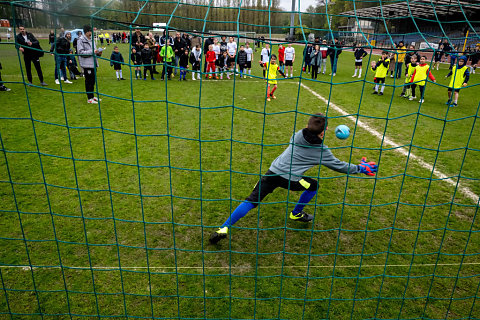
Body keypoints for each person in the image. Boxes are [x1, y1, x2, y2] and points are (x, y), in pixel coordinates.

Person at [209, 113, 378, 244]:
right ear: (324, 132)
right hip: (290, 179)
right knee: (313, 186)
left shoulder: (297, 134)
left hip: (272, 172)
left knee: (251, 201)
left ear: (307, 125)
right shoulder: (322, 151)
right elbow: (339, 166)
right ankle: (296, 213)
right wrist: (360, 168)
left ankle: (223, 228)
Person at [77, 24, 101, 104]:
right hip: (86, 64)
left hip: (93, 63)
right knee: (88, 81)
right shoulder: (80, 40)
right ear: (86, 32)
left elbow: (95, 50)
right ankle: (89, 98)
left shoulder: (92, 39)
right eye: (90, 31)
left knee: (93, 81)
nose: (91, 32)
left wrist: (98, 53)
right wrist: (92, 51)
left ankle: (92, 96)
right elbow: (81, 52)